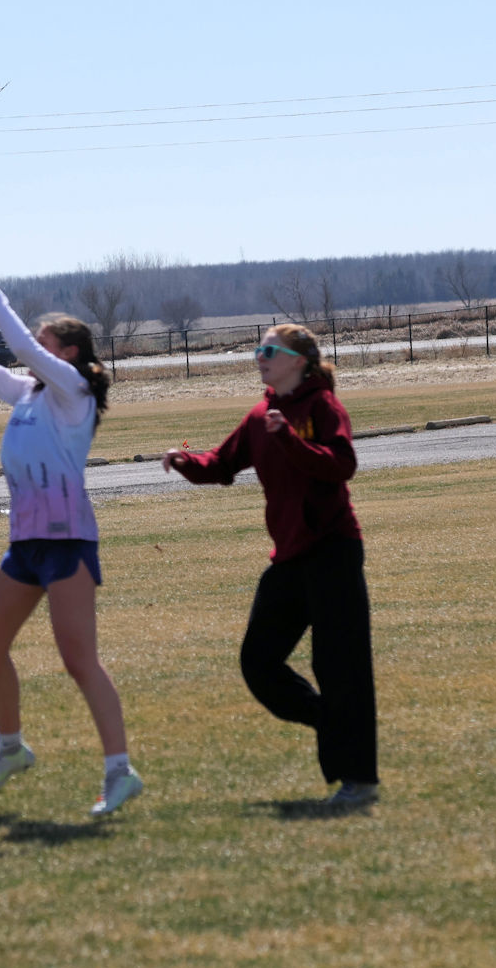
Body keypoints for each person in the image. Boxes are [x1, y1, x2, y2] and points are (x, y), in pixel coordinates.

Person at [0, 265, 143, 817]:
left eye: (47, 340)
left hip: (67, 542)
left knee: (79, 661)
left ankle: (120, 772)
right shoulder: (29, 393)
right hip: (26, 543)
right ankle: (12, 749)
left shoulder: (73, 391)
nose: (36, 347)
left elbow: (21, 347)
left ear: (69, 353)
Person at [162, 324, 379, 812]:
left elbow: (341, 465)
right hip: (289, 559)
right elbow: (222, 464)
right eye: (258, 349)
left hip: (333, 550)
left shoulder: (323, 407)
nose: (259, 356)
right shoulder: (262, 416)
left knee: (340, 666)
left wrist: (290, 441)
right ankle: (331, 721)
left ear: (298, 360)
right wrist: (185, 461)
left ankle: (358, 781)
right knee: (258, 663)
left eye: (268, 349)